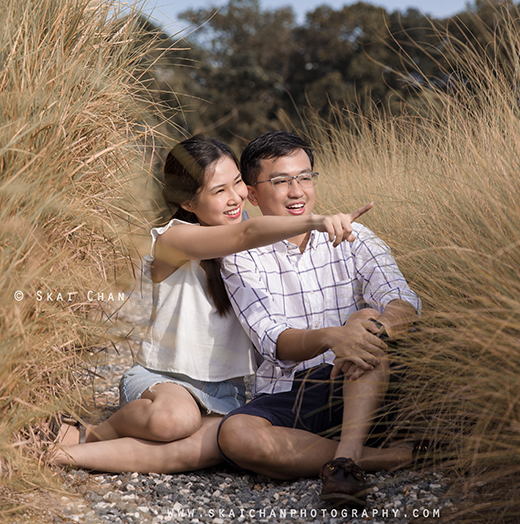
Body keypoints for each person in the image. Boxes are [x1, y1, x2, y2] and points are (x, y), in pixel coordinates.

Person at [49, 135, 373, 473]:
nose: (235, 199)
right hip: (163, 380)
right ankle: (92, 434)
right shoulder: (173, 240)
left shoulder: (262, 241)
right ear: (188, 202)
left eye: (237, 184)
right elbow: (244, 235)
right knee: (173, 420)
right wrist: (316, 220)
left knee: (201, 450)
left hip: (226, 392)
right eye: (219, 191)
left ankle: (59, 456)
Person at [217, 131, 421, 506]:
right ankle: (383, 457)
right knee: (235, 434)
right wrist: (333, 337)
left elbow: (403, 300)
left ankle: (345, 461)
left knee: (366, 326)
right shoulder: (241, 256)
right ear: (253, 193)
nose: (297, 191)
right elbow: (272, 339)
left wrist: (373, 328)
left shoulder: (355, 236)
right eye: (280, 181)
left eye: (305, 177)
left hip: (360, 381)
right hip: (291, 391)